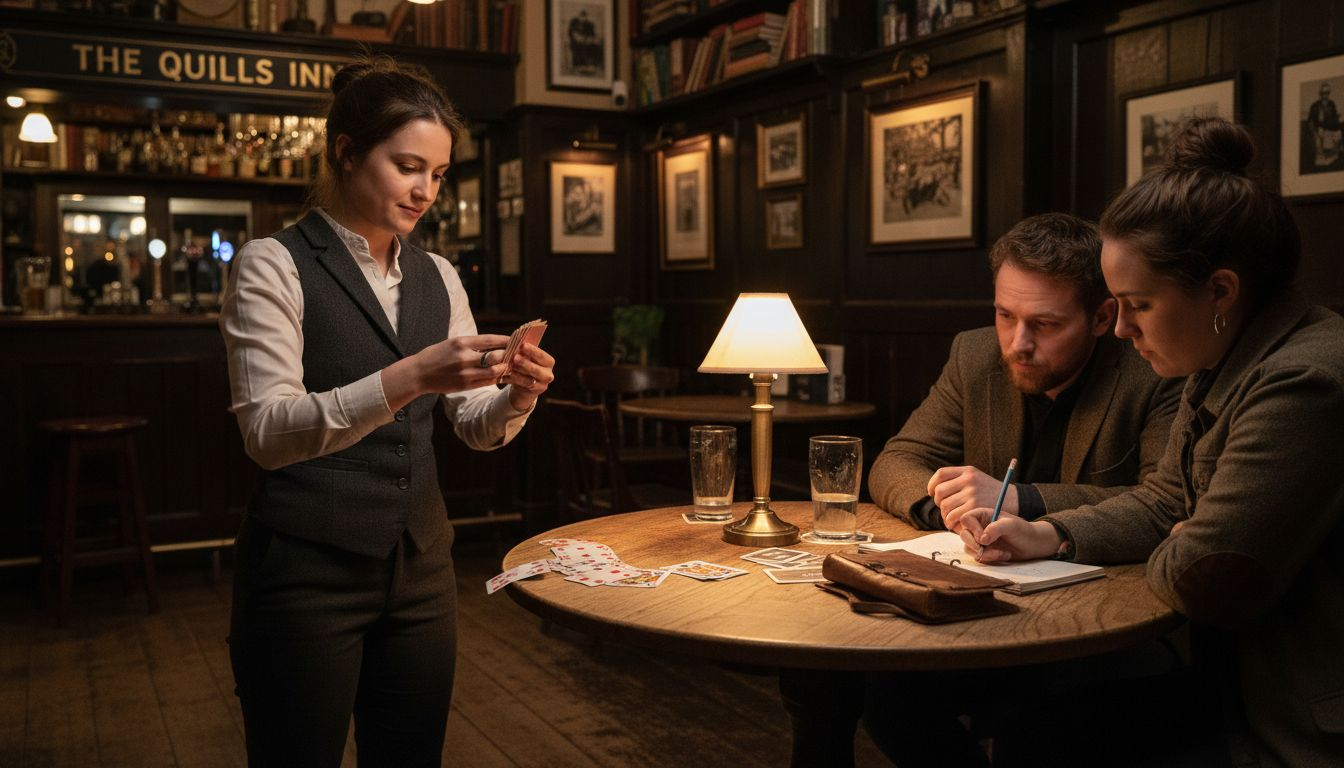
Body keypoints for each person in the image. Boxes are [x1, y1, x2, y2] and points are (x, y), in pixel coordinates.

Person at [961, 118, 1344, 766]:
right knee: (1032, 727)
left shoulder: (1305, 383)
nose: (1121, 330)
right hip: (1226, 685)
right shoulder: (1225, 354)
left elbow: (1205, 578)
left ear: (1220, 291)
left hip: (1293, 725)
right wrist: (1050, 534)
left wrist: (1182, 540)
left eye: (1136, 304)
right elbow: (1169, 501)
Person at [219, 56, 555, 767]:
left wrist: (517, 394)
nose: (427, 190)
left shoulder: (437, 275)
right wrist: (407, 377)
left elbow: (470, 422)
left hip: (423, 571)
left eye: (437, 173)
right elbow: (267, 434)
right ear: (346, 152)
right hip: (306, 575)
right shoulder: (271, 264)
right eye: (409, 166)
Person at [781, 213, 1182, 768]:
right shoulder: (974, 356)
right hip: (984, 609)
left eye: (1044, 324)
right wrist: (942, 505)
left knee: (1042, 717)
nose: (1018, 343)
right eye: (1004, 315)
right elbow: (898, 459)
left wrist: (1027, 502)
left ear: (1101, 317)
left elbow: (1165, 499)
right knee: (882, 689)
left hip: (1103, 622)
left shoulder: (1153, 365)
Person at [1307, 81, 1342, 170]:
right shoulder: (1314, 106)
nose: (1325, 95)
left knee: (1339, 132)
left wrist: (1338, 121)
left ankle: (1335, 153)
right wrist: (1315, 134)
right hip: (1319, 129)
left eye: (1327, 93)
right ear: (1320, 94)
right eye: (1323, 93)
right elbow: (1310, 122)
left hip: (1330, 127)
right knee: (1320, 139)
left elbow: (1334, 118)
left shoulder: (1332, 104)